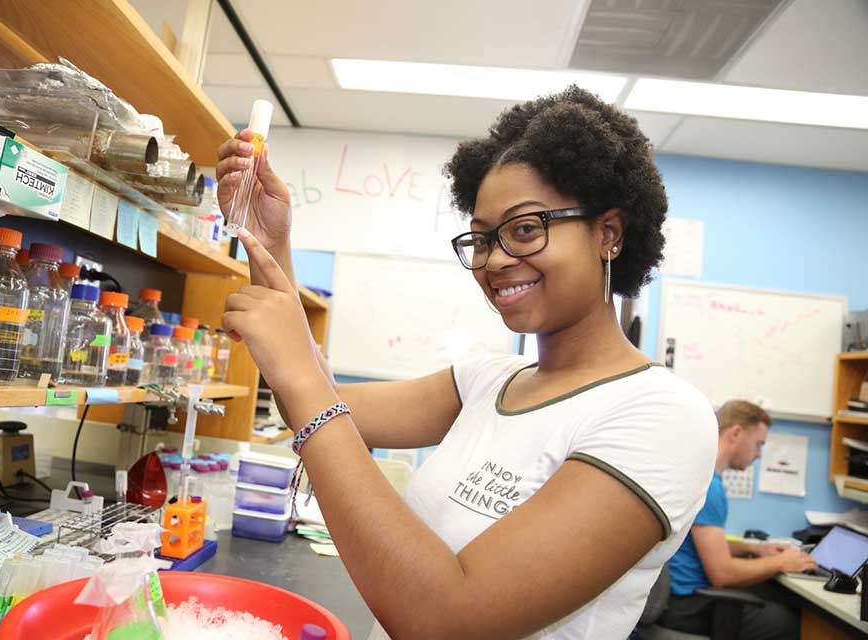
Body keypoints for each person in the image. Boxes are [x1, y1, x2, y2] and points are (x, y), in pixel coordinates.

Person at [215, 85, 718, 639]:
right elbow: (317, 404)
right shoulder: (487, 380)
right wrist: (270, 242)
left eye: (526, 230)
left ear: (609, 233)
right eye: (480, 240)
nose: (496, 260)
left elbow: (447, 619)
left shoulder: (662, 416)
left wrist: (303, 376)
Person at [660, 400, 817, 639]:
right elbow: (723, 574)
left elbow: (702, 543)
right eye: (758, 444)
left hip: (676, 600)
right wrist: (782, 562)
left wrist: (755, 549)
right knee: (791, 622)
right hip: (691, 607)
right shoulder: (709, 488)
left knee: (768, 597)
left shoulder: (698, 475)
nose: (758, 455)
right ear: (736, 433)